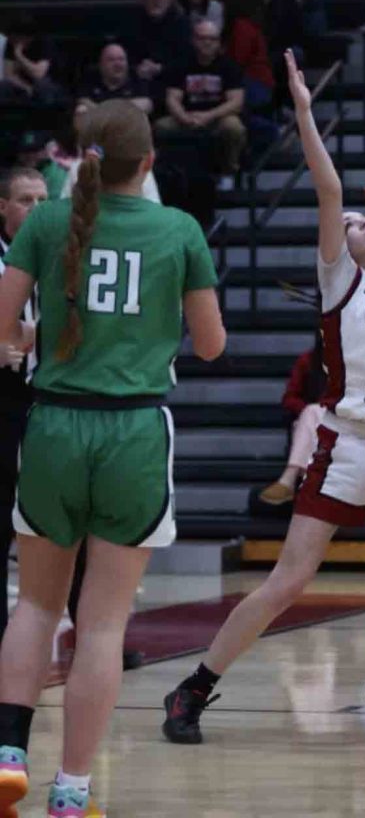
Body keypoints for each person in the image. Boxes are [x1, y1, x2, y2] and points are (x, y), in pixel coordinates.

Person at [162, 49, 365, 742]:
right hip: (347, 439)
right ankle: (193, 689)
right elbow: (324, 190)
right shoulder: (339, 279)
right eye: (354, 224)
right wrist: (305, 110)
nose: (361, 225)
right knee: (289, 581)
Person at [0, 99, 225, 818]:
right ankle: (70, 791)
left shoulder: (42, 221)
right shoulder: (179, 229)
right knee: (100, 625)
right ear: (149, 164)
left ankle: (7, 753)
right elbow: (213, 344)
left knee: (35, 605)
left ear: (78, 159)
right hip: (131, 433)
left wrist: (41, 338)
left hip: (55, 427)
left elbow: (4, 326)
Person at [0, 169, 47, 641]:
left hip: (53, 398)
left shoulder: (60, 252)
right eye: (25, 200)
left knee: (64, 527)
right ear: (3, 207)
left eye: (42, 199)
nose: (36, 208)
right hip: (8, 398)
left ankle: (92, 629)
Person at [156, 20, 246, 191]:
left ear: (218, 43)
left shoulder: (229, 66)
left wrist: (208, 116)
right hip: (187, 117)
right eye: (202, 38)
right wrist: (184, 117)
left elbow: (236, 102)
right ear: (194, 40)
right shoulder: (181, 64)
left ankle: (228, 172)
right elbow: (172, 98)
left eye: (212, 39)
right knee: (161, 126)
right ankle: (164, 173)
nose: (207, 42)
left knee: (233, 127)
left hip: (218, 118)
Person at [256, 330, 326, 506]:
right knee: (309, 416)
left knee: (312, 414)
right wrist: (309, 411)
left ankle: (290, 479)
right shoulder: (308, 361)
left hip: (346, 419)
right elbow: (289, 398)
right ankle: (315, 489)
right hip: (314, 423)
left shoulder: (354, 364)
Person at [127, 0, 191, 101]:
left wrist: (160, 68)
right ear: (144, 0)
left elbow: (185, 59)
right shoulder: (133, 24)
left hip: (173, 82)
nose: (156, 1)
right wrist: (136, 67)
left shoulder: (181, 25)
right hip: (139, 80)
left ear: (169, 0)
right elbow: (127, 53)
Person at [0, 14, 64, 107]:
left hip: (49, 82)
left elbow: (38, 74)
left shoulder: (44, 43)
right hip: (23, 83)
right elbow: (9, 74)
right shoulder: (11, 45)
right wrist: (26, 87)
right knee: (4, 86)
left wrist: (19, 56)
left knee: (42, 85)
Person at [78, 44, 152, 115]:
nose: (118, 64)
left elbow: (146, 104)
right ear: (101, 65)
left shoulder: (136, 80)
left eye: (121, 59)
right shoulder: (91, 80)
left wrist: (100, 110)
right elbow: (83, 102)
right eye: (111, 60)